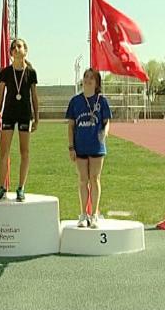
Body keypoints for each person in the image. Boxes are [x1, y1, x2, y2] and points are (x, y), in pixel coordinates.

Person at [0, 38, 39, 202]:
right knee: (4, 151)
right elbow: (0, 96)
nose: (16, 49)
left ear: (25, 50)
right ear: (11, 53)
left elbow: (34, 96)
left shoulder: (31, 72)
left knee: (24, 152)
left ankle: (21, 188)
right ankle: (2, 187)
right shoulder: (5, 72)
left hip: (25, 114)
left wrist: (37, 117)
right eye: (13, 47)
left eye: (19, 46)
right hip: (9, 114)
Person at [65, 68, 112, 228]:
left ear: (97, 82)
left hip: (97, 146)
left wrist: (104, 132)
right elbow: (71, 126)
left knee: (95, 179)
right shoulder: (75, 101)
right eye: (85, 77)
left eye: (91, 78)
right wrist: (71, 147)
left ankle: (94, 215)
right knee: (82, 180)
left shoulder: (102, 101)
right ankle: (83, 214)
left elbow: (106, 122)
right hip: (80, 146)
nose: (88, 80)